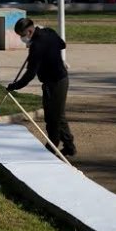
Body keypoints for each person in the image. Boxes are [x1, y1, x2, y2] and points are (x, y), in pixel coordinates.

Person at [7, 18, 76, 157]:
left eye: (22, 35)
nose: (22, 39)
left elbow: (30, 74)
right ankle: (69, 147)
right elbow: (62, 45)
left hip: (56, 82)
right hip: (57, 80)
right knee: (56, 115)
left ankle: (52, 148)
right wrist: (48, 46)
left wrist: (15, 86)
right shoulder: (48, 32)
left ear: (30, 31)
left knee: (53, 118)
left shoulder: (37, 46)